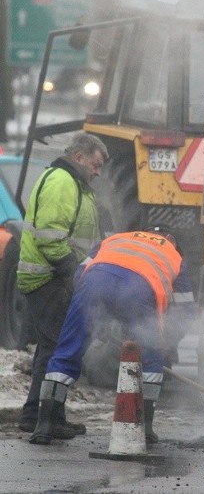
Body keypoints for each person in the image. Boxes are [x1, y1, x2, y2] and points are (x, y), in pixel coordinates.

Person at [29, 228, 196, 445]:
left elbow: (80, 273)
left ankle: (44, 425)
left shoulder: (116, 238)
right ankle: (145, 429)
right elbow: (186, 311)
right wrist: (167, 344)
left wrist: (97, 317)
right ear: (172, 240)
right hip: (139, 289)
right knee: (152, 360)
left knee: (66, 351)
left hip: (93, 283)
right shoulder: (173, 254)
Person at [17, 133, 108, 439]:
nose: (98, 172)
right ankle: (44, 418)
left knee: (51, 347)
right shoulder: (62, 182)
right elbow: (50, 237)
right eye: (95, 165)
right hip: (49, 277)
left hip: (54, 276)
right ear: (80, 157)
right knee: (57, 349)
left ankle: (43, 415)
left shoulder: (74, 183)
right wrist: (75, 270)